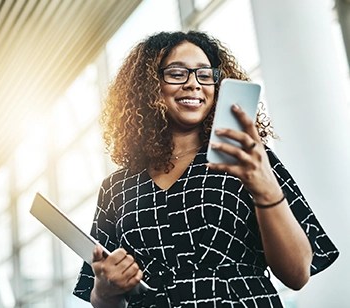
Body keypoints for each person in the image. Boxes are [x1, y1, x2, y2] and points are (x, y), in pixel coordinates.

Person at [73, 30, 338, 308]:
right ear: (149, 85)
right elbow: (101, 298)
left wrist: (265, 189)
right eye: (177, 73)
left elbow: (297, 274)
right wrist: (105, 290)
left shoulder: (247, 158)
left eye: (205, 74)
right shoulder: (116, 188)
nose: (194, 84)